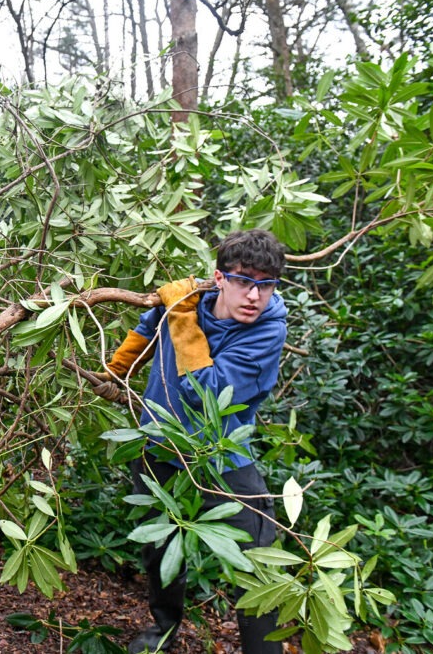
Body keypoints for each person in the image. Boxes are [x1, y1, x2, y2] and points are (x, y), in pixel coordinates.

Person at [91, 229, 287, 653]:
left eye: (266, 285)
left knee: (256, 564)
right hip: (159, 446)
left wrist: (182, 318)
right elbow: (149, 326)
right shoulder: (189, 300)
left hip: (222, 460)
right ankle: (163, 627)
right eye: (244, 282)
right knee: (160, 547)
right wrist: (116, 370)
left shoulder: (268, 331)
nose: (254, 296)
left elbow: (209, 391)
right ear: (220, 278)